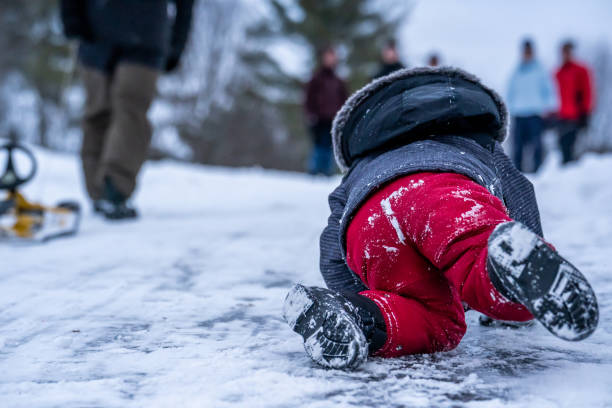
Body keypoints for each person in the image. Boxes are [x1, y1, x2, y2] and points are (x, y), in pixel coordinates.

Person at [282, 67, 599, 369]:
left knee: (435, 319)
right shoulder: (476, 140)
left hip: (369, 220)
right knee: (476, 260)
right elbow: (519, 192)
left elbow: (331, 247)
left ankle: (358, 315)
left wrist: (358, 289)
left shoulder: (362, 164)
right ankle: (503, 272)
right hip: (446, 191)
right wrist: (527, 236)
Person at [60, 0, 194, 219]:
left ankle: (113, 188)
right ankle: (102, 191)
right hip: (98, 35)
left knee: (128, 112)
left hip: (142, 38)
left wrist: (177, 44)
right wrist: (72, 19)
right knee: (102, 113)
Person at [506, 39, 557, 172]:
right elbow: (509, 92)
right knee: (518, 147)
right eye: (525, 51)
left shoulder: (541, 71)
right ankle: (517, 173)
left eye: (529, 51)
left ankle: (538, 172)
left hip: (535, 114)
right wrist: (509, 109)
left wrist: (550, 109)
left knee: (536, 146)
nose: (527, 54)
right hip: (519, 114)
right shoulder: (516, 72)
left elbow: (550, 91)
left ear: (532, 52)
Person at [304, 46, 348, 176]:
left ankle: (327, 172)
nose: (330, 59)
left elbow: (344, 100)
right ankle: (314, 171)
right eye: (328, 56)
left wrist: (343, 117)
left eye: (332, 57)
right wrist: (310, 114)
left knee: (331, 146)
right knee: (318, 145)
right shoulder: (316, 78)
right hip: (318, 119)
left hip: (334, 119)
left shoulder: (338, 81)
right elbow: (308, 98)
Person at [554, 40, 595, 164]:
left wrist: (586, 112)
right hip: (561, 117)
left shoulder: (581, 70)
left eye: (568, 51)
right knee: (562, 147)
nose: (566, 54)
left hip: (577, 116)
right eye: (563, 52)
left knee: (576, 149)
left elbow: (587, 91)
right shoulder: (558, 72)